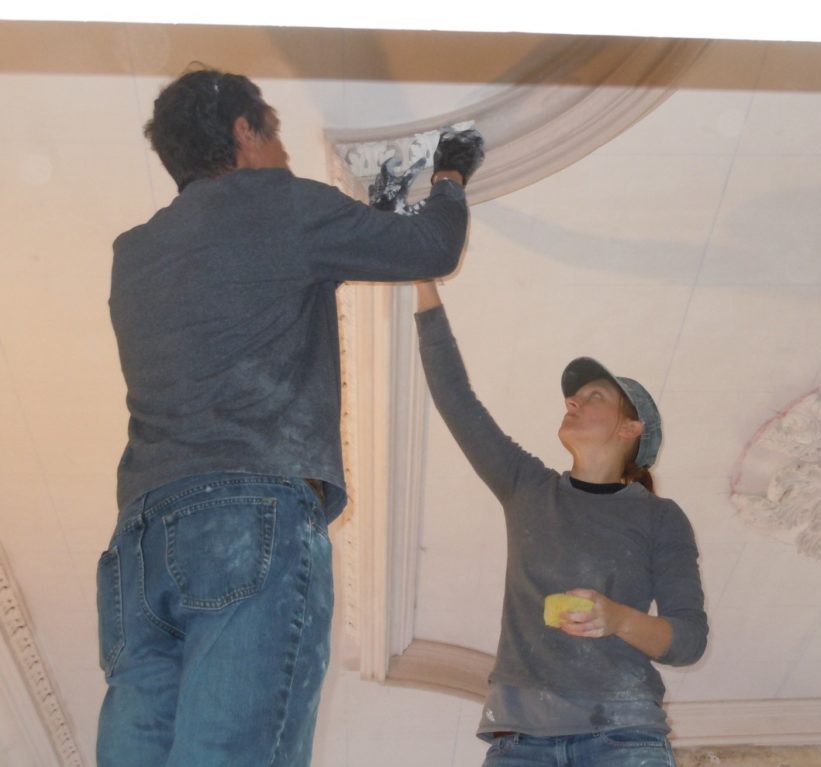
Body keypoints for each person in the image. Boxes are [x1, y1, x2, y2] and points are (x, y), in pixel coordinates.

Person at [98, 67, 483, 767]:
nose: (284, 152)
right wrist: (450, 175)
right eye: (275, 134)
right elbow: (432, 247)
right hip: (241, 523)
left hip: (140, 544)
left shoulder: (135, 253)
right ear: (245, 132)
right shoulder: (277, 204)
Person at [414, 281, 708, 766]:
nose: (573, 402)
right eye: (573, 398)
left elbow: (689, 640)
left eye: (594, 396)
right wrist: (423, 286)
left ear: (630, 429)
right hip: (519, 742)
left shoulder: (660, 517)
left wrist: (617, 619)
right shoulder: (527, 486)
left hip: (623, 735)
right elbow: (455, 397)